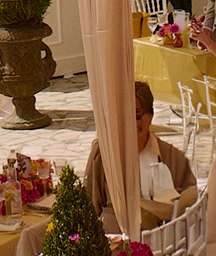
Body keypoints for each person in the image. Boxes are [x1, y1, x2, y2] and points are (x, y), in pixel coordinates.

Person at [83, 81, 195, 224]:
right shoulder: (102, 153)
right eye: (125, 117)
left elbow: (190, 197)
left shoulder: (168, 155)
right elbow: (90, 203)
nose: (131, 125)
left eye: (137, 117)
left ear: (150, 117)